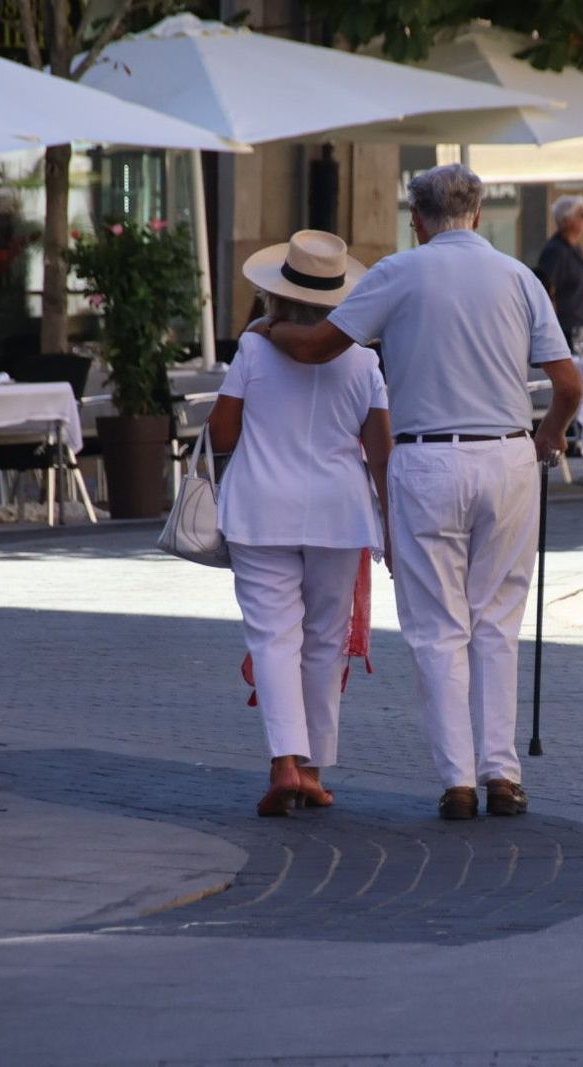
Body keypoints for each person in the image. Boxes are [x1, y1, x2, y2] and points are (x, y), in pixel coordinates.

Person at [262, 164, 583, 822]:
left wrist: (271, 333)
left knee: (438, 628)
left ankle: (458, 780)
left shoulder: (397, 274)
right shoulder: (519, 278)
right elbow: (569, 382)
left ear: (416, 218)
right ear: (479, 211)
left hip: (428, 459)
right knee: (497, 621)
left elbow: (322, 345)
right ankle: (503, 773)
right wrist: (548, 433)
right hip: (507, 455)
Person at [207, 230, 392, 817]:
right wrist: (388, 520)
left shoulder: (253, 350)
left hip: (260, 510)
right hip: (339, 513)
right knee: (324, 641)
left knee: (273, 637)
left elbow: (221, 434)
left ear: (277, 297)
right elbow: (380, 448)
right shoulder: (365, 360)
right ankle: (312, 766)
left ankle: (284, 763)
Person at [536, 193, 583, 346]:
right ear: (567, 220)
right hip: (563, 333)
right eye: (582, 215)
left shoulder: (574, 248)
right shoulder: (555, 251)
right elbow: (545, 290)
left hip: (579, 330)